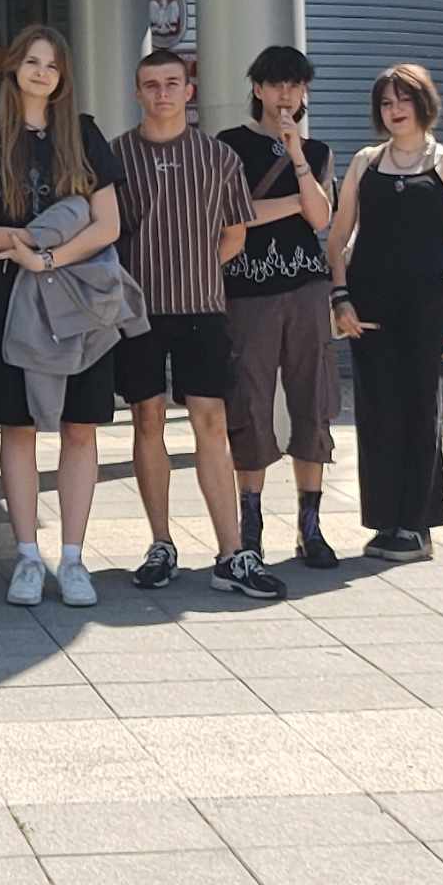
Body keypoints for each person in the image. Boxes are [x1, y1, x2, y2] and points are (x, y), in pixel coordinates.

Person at [0, 25, 123, 608]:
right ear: (14, 68)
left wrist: (45, 255)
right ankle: (28, 556)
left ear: (63, 76)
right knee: (18, 425)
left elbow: (108, 224)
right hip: (14, 299)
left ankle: (73, 559)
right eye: (32, 61)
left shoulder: (84, 133)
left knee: (80, 426)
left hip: (81, 296)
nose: (42, 72)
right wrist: (28, 245)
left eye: (52, 65)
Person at [111, 51, 285, 601]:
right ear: (137, 92)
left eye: (171, 83)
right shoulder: (115, 156)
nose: (161, 93)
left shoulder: (218, 156)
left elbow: (235, 233)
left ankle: (230, 553)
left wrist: (196, 269)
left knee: (211, 422)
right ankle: (160, 544)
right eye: (150, 85)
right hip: (138, 311)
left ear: (189, 91)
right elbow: (108, 233)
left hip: (202, 308)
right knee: (147, 419)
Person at [327, 63, 443, 563]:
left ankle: (417, 526)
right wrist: (340, 297)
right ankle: (385, 520)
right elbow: (337, 237)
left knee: (421, 409)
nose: (395, 110)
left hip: (429, 306)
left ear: (423, 103)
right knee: (377, 411)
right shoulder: (365, 163)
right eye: (386, 103)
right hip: (369, 305)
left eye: (403, 100)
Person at [217, 46, 341, 569]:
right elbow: (233, 214)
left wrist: (296, 156)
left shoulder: (317, 151)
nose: (285, 94)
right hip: (247, 290)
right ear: (258, 89)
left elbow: (322, 219)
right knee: (249, 402)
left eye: (294, 84)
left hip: (307, 287)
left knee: (314, 397)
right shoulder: (229, 145)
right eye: (275, 84)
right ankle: (250, 526)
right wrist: (294, 202)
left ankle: (310, 526)